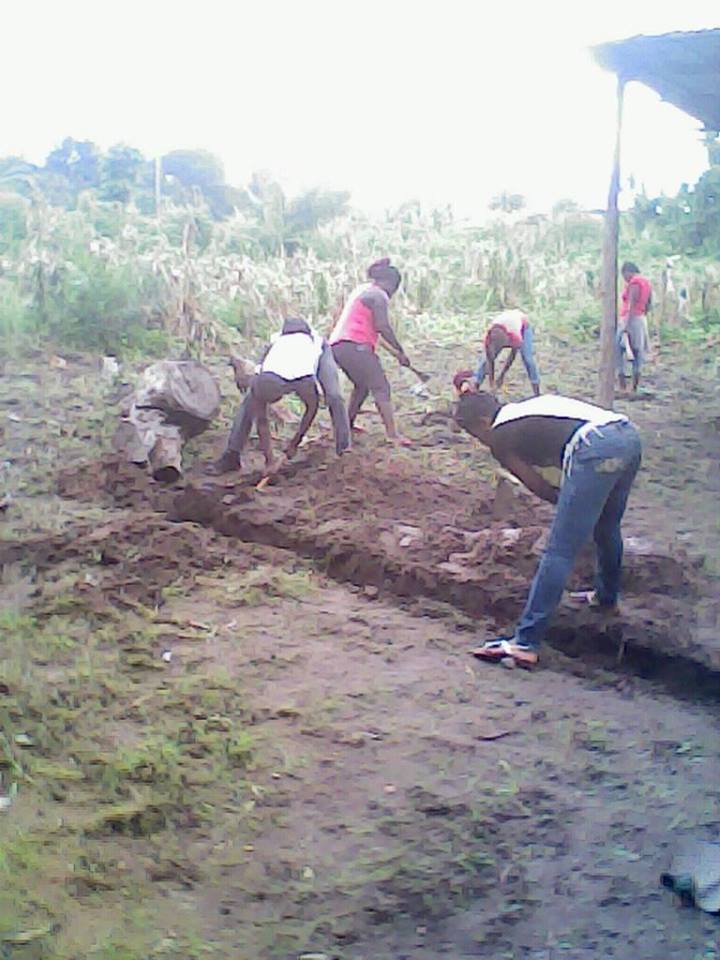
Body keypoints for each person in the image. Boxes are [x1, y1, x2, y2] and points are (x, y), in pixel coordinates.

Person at [454, 388, 642, 669]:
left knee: (560, 549)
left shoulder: (501, 438)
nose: (479, 442)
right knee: (606, 527)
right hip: (627, 437)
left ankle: (525, 643)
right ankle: (606, 597)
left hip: (595, 445)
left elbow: (538, 485)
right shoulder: (527, 411)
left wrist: (570, 505)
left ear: (482, 422)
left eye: (473, 434)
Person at [209, 317, 350, 474]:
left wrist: (294, 445)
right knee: (249, 402)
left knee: (334, 396)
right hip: (280, 347)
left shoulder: (302, 379)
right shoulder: (259, 381)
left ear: (283, 390)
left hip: (316, 348)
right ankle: (232, 456)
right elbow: (261, 421)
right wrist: (270, 460)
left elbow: (312, 409)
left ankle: (344, 450)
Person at [329, 258, 412, 445]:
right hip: (355, 345)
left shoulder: (362, 291)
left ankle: (346, 426)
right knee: (381, 387)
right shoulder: (378, 295)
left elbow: (374, 331)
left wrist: (397, 354)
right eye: (394, 289)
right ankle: (392, 435)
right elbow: (382, 326)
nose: (392, 294)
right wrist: (400, 349)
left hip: (339, 346)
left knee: (362, 386)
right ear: (391, 284)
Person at [474, 309, 540, 396]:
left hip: (523, 327)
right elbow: (490, 360)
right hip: (505, 324)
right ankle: (475, 386)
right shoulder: (488, 338)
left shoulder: (514, 334)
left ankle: (536, 390)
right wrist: (492, 383)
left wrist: (502, 376)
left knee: (528, 359)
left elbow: (512, 355)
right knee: (484, 362)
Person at [617, 262, 652, 394]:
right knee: (638, 353)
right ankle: (634, 386)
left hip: (630, 319)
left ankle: (622, 385)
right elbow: (649, 304)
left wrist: (626, 325)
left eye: (624, 275)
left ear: (628, 272)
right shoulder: (646, 283)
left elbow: (631, 303)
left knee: (618, 350)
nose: (624, 278)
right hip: (641, 319)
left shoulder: (635, 283)